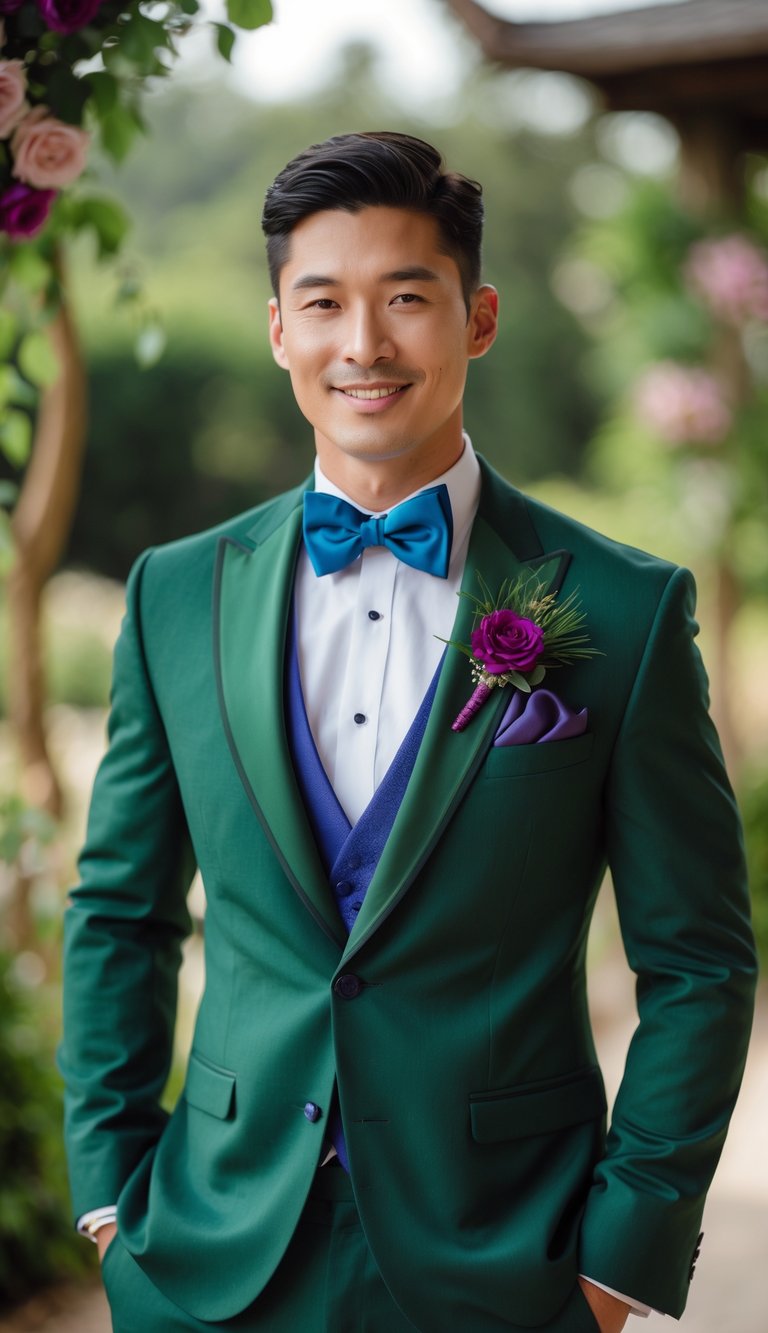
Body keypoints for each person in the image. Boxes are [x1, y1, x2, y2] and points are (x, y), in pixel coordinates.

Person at [59, 132, 757, 1333]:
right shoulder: (176, 594)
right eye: (323, 302)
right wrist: (113, 1207)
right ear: (279, 328)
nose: (364, 345)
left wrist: (617, 1262)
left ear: (477, 318)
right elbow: (121, 912)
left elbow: (698, 961)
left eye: (407, 299)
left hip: (506, 1262)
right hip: (209, 1256)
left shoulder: (624, 610)